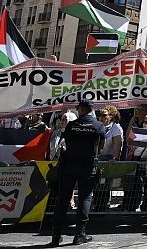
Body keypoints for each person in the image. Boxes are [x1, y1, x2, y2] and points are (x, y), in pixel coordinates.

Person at [49, 99, 106, 247]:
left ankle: (56, 235)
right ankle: (80, 234)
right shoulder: (98, 126)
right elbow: (101, 146)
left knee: (63, 200)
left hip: (69, 166)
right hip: (87, 167)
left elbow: (67, 143)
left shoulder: (72, 125)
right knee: (84, 199)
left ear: (80, 109)